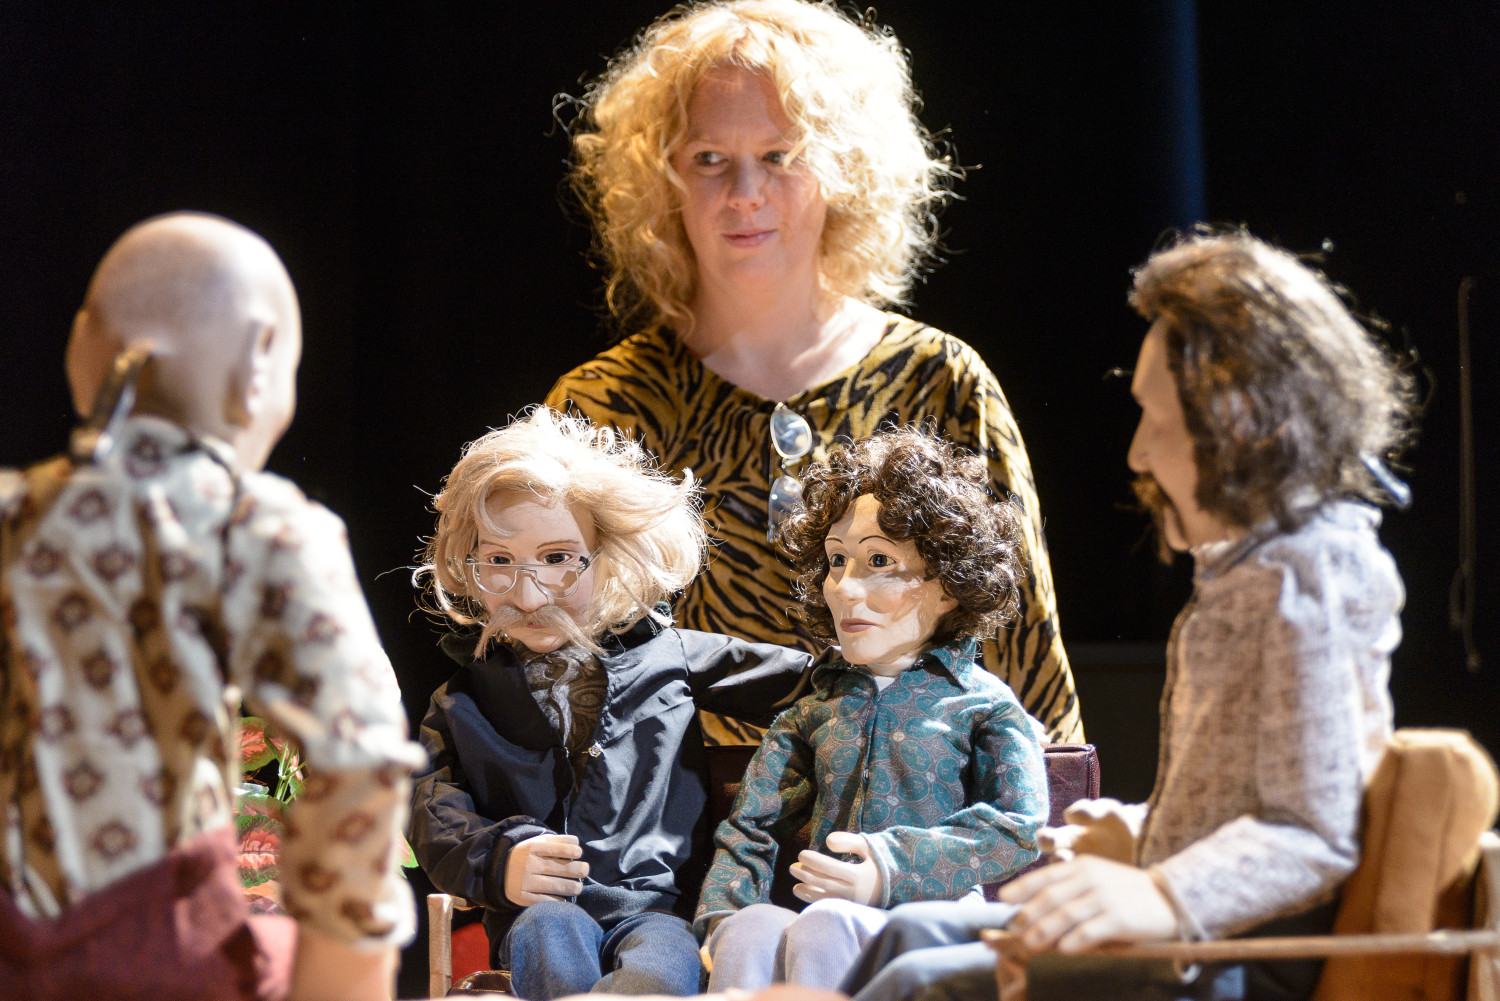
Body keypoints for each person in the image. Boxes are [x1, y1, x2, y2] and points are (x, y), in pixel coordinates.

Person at [838, 228, 1417, 1001]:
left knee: (921, 982)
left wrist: (1163, 891)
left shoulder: (1310, 583)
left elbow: (1312, 831)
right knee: (910, 933)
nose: (1139, 453)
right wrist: (1138, 833)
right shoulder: (1252, 576)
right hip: (1203, 939)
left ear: (1242, 421)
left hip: (1238, 964)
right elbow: (1234, 809)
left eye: (1156, 418)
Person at [545, 0, 1081, 747]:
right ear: (660, 181)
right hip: (670, 821)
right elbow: (553, 673)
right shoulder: (599, 409)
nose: (745, 193)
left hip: (908, 814)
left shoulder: (943, 381)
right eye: (708, 159)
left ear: (845, 169)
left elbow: (1028, 671)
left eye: (780, 155)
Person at [0, 212, 424, 1001]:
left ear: (81, 351)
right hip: (168, 950)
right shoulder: (256, 524)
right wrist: (341, 982)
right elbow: (360, 755)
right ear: (260, 363)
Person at [407, 407, 817, 1000]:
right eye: (498, 561)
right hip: (535, 914)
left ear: (610, 554)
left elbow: (812, 686)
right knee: (548, 928)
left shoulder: (673, 657)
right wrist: (497, 858)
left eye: (558, 559)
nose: (529, 595)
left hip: (658, 910)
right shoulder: (461, 702)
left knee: (662, 958)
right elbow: (429, 808)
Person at [695, 427, 1050, 992]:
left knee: (826, 924)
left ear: (948, 584)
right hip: (824, 916)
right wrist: (723, 915)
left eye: (879, 560)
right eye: (837, 561)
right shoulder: (814, 712)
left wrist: (890, 865)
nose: (844, 587)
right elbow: (751, 825)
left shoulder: (981, 705)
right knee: (750, 929)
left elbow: (1018, 824)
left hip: (934, 921)